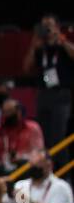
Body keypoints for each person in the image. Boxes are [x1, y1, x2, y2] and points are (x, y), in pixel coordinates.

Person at [23, 14, 74, 148]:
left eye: (49, 26)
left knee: (60, 136)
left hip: (61, 95)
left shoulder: (63, 46)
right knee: (43, 136)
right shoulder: (40, 48)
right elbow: (26, 68)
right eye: (43, 26)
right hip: (43, 94)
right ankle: (47, 167)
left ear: (57, 27)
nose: (46, 29)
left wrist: (61, 40)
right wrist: (33, 46)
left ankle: (62, 167)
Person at [0, 99, 44, 173]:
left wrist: (21, 158)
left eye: (9, 111)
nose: (7, 115)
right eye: (4, 112)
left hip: (26, 169)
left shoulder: (32, 128)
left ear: (18, 111)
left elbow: (39, 152)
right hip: (3, 170)